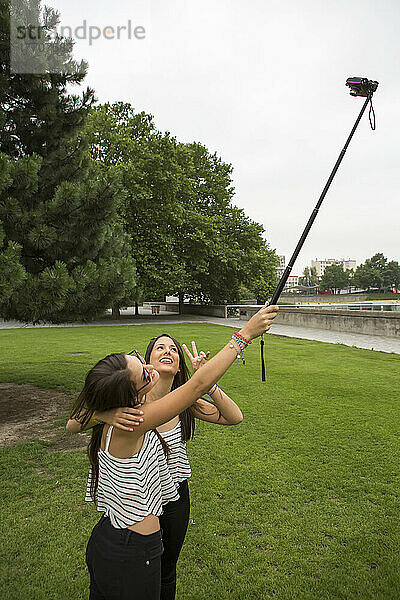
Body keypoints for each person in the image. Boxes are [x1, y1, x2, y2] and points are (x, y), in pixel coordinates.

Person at [68, 304, 278, 600]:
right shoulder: (134, 422)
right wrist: (245, 334)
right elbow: (197, 386)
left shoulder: (125, 415)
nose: (151, 367)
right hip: (131, 548)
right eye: (144, 369)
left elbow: (220, 407)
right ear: (130, 392)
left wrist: (104, 413)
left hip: (112, 538)